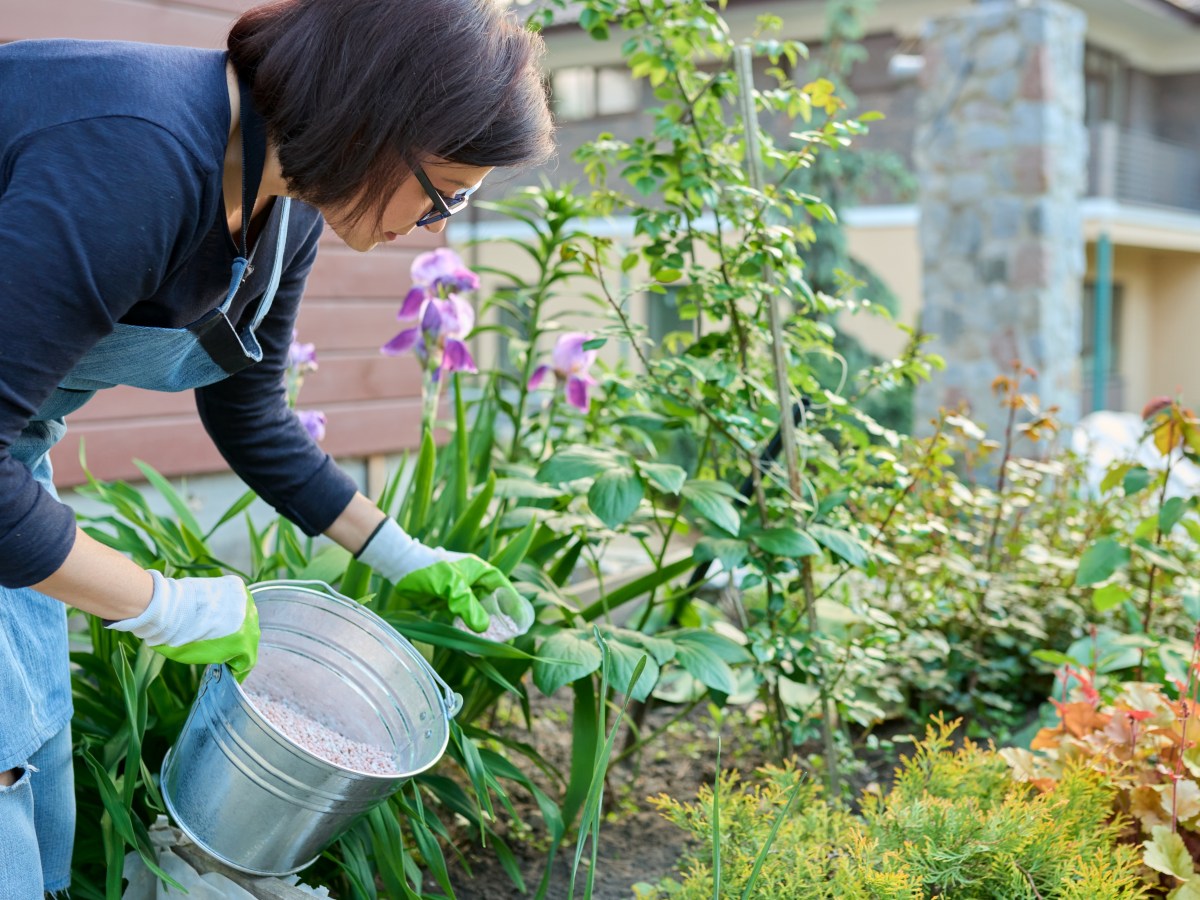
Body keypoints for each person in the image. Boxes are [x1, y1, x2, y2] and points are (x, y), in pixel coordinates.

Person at [0, 0, 554, 894]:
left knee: (38, 761)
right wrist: (162, 605)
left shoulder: (283, 201)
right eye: (443, 193)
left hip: (9, 462)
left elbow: (250, 412)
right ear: (376, 123)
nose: (438, 228)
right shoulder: (136, 154)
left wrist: (401, 552)